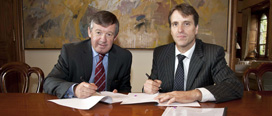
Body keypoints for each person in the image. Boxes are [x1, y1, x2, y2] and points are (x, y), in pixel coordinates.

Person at [143, 3, 243, 104]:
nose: (180, 30)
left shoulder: (212, 53)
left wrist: (194, 94)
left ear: (196, 29)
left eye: (186, 23)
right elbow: (152, 84)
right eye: (175, 24)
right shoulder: (160, 53)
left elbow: (234, 86)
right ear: (171, 30)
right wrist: (148, 88)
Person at [43, 11, 132, 99]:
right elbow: (49, 82)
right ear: (89, 32)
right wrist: (75, 89)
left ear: (115, 37)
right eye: (98, 32)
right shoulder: (71, 52)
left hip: (108, 109)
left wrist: (119, 94)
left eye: (109, 34)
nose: (103, 39)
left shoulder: (124, 57)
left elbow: (125, 89)